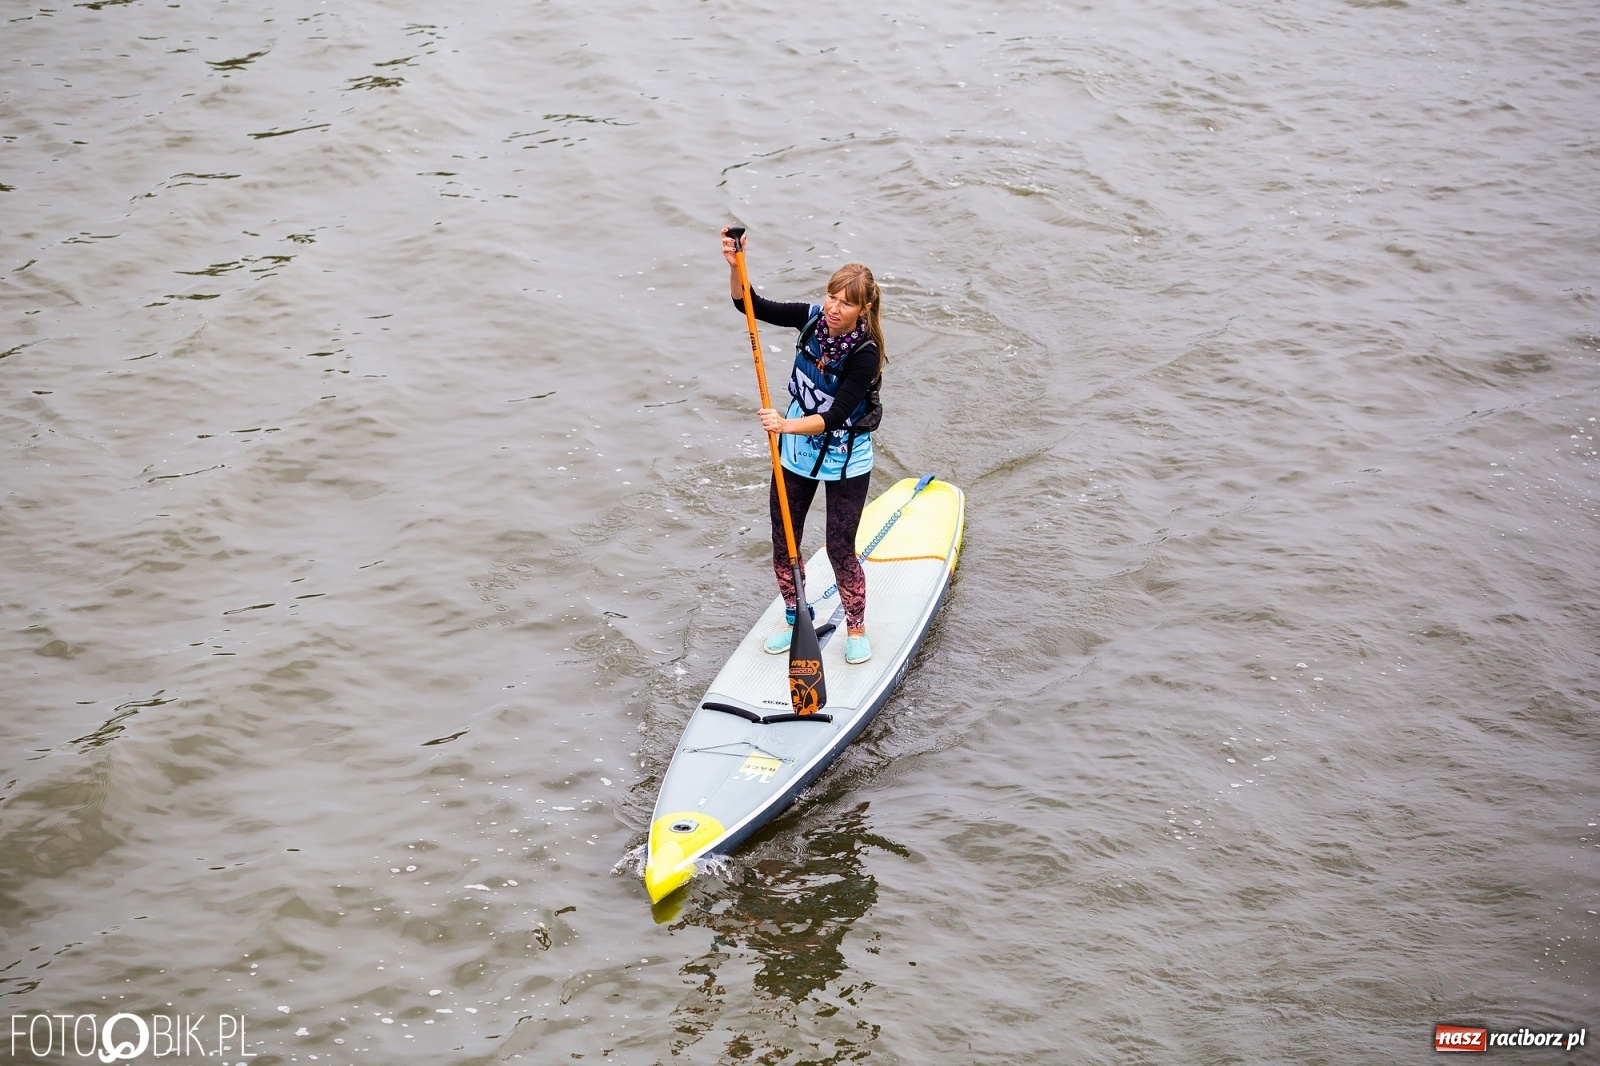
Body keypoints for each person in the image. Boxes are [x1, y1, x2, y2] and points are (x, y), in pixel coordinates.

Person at [720, 226, 885, 665]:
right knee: (784, 540)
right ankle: (797, 619)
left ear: (863, 309)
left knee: (838, 548)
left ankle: (856, 628)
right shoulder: (810, 317)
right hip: (797, 453)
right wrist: (735, 266)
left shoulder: (866, 354)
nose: (833, 308)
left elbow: (833, 417)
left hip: (845, 457)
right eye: (832, 297)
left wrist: (782, 425)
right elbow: (747, 304)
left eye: (846, 303)